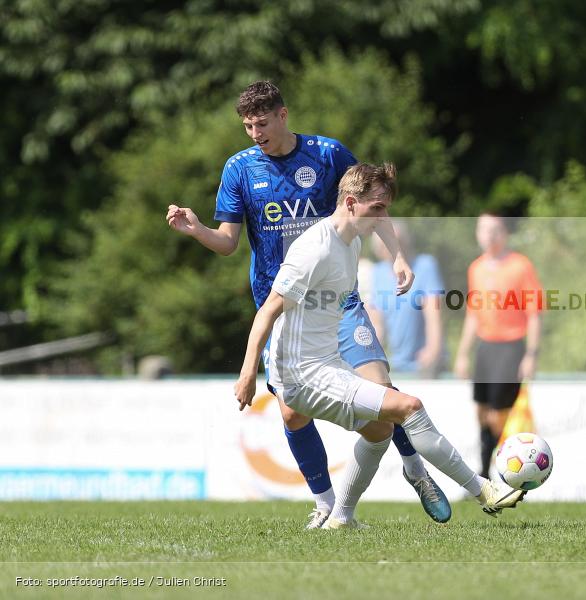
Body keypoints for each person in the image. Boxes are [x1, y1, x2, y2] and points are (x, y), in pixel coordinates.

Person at [165, 81, 451, 526]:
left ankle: (415, 467)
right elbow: (227, 243)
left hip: (339, 297)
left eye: (261, 123)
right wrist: (196, 229)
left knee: (379, 384)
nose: (254, 132)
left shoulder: (328, 154)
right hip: (284, 305)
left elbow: (375, 203)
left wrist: (397, 255)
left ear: (283, 115)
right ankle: (325, 504)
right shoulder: (239, 168)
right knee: (293, 412)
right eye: (247, 125)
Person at [234, 162, 526, 528]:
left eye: (386, 208)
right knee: (409, 406)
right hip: (301, 373)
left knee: (380, 432)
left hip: (324, 362)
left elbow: (381, 222)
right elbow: (268, 311)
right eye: (377, 209)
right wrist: (248, 374)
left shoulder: (351, 239)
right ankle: (483, 489)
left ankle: (341, 518)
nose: (383, 217)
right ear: (351, 203)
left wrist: (399, 256)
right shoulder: (314, 249)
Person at [453, 214, 542, 478]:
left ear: (504, 233)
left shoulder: (520, 266)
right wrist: (462, 354)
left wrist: (531, 354)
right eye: (483, 229)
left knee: (498, 416)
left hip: (510, 347)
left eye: (494, 230)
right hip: (485, 348)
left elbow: (534, 313)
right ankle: (483, 476)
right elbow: (473, 314)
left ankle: (503, 473)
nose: (488, 235)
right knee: (481, 412)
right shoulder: (476, 268)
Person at [368, 222, 446, 378]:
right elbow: (377, 325)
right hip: (396, 364)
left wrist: (433, 349)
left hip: (427, 365)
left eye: (398, 241)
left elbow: (434, 316)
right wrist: (370, 357)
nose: (394, 247)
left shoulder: (425, 266)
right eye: (386, 242)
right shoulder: (377, 273)